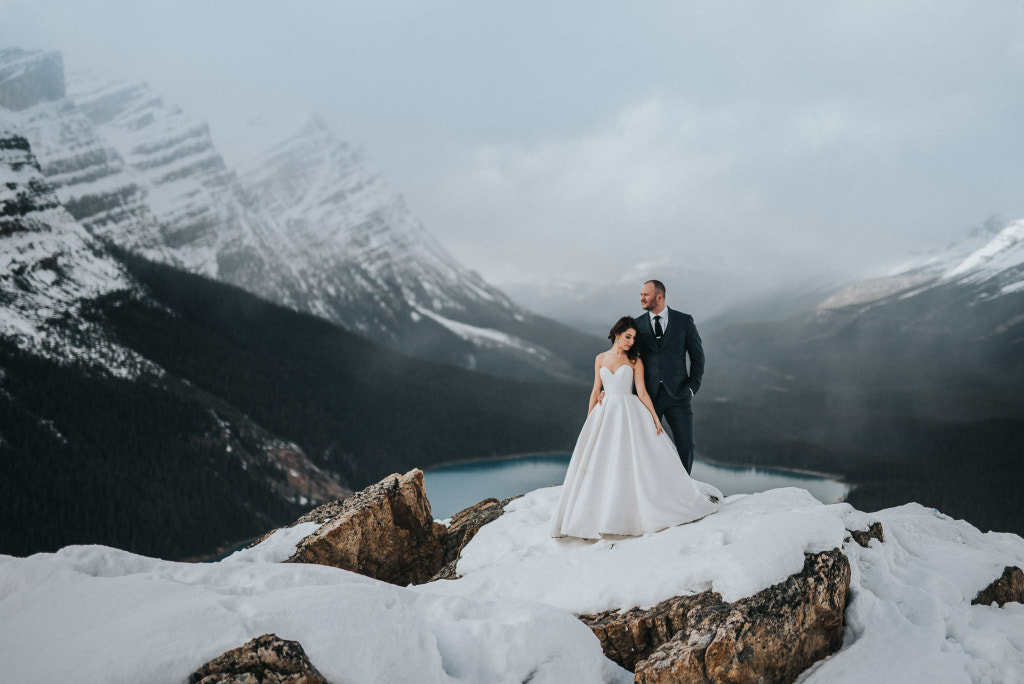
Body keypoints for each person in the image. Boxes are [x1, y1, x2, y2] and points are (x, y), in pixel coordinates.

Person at [550, 316, 717, 539]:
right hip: (605, 412)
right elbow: (595, 390)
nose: (631, 341)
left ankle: (628, 511)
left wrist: (655, 420)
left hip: (629, 410)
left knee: (627, 457)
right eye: (627, 336)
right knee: (603, 458)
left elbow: (643, 392)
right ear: (616, 335)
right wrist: (590, 420)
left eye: (634, 338)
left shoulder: (635, 360)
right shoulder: (599, 358)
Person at [635, 280, 704, 473]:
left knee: (686, 445)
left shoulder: (684, 321)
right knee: (646, 446)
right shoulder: (637, 324)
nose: (641, 298)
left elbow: (698, 358)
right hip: (648, 397)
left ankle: (683, 491)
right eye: (641, 294)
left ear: (660, 297)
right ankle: (653, 489)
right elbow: (626, 358)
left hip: (679, 395)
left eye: (645, 295)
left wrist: (692, 389)